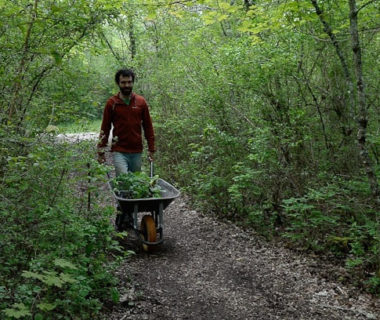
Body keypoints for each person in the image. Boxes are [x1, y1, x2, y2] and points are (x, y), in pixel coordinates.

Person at [97, 69, 155, 175]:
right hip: (119, 150)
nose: (127, 85)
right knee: (124, 180)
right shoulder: (112, 103)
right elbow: (105, 127)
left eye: (129, 82)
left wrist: (151, 148)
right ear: (118, 83)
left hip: (137, 150)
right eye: (123, 82)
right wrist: (101, 150)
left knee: (135, 183)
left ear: (133, 82)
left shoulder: (141, 102)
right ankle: (122, 192)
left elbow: (148, 126)